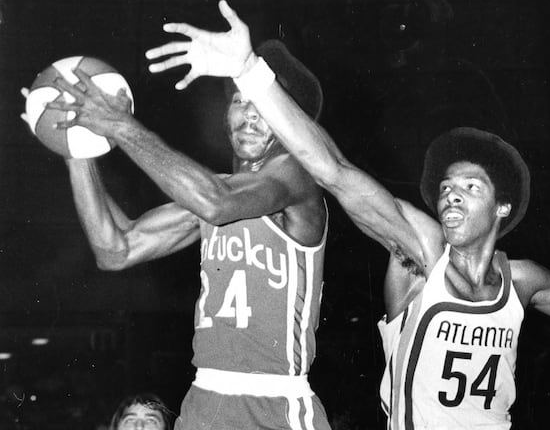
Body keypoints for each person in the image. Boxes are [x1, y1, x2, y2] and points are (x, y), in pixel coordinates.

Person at [143, 0, 550, 429]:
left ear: (502, 207)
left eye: (469, 187)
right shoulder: (421, 254)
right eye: (445, 186)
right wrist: (251, 74)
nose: (449, 195)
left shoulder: (522, 283)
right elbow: (334, 172)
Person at [27, 26, 332, 430]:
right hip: (205, 400)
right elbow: (116, 249)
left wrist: (121, 125)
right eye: (239, 101)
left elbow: (215, 202)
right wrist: (75, 148)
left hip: (274, 405)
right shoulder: (213, 193)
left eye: (262, 105)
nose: (249, 115)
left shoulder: (296, 178)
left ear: (290, 122)